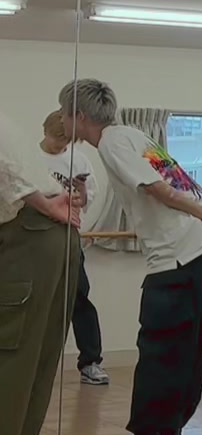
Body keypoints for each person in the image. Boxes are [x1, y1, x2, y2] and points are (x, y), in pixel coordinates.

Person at [58, 81, 202, 435]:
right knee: (186, 348)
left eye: (65, 114)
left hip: (176, 255)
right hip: (199, 248)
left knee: (157, 346)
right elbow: (181, 179)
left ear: (80, 117)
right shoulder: (135, 135)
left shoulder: (111, 142)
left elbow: (158, 188)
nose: (62, 121)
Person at [0, 112, 80, 435]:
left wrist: (43, 204)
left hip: (30, 230)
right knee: (34, 359)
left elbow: (8, 167)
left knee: (10, 357)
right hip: (48, 234)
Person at [40, 110, 109, 386]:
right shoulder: (31, 159)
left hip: (68, 234)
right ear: (44, 132)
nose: (61, 147)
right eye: (57, 141)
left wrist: (81, 195)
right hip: (35, 237)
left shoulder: (78, 159)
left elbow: (88, 196)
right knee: (38, 300)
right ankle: (33, 363)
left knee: (79, 296)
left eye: (66, 142)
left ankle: (90, 362)